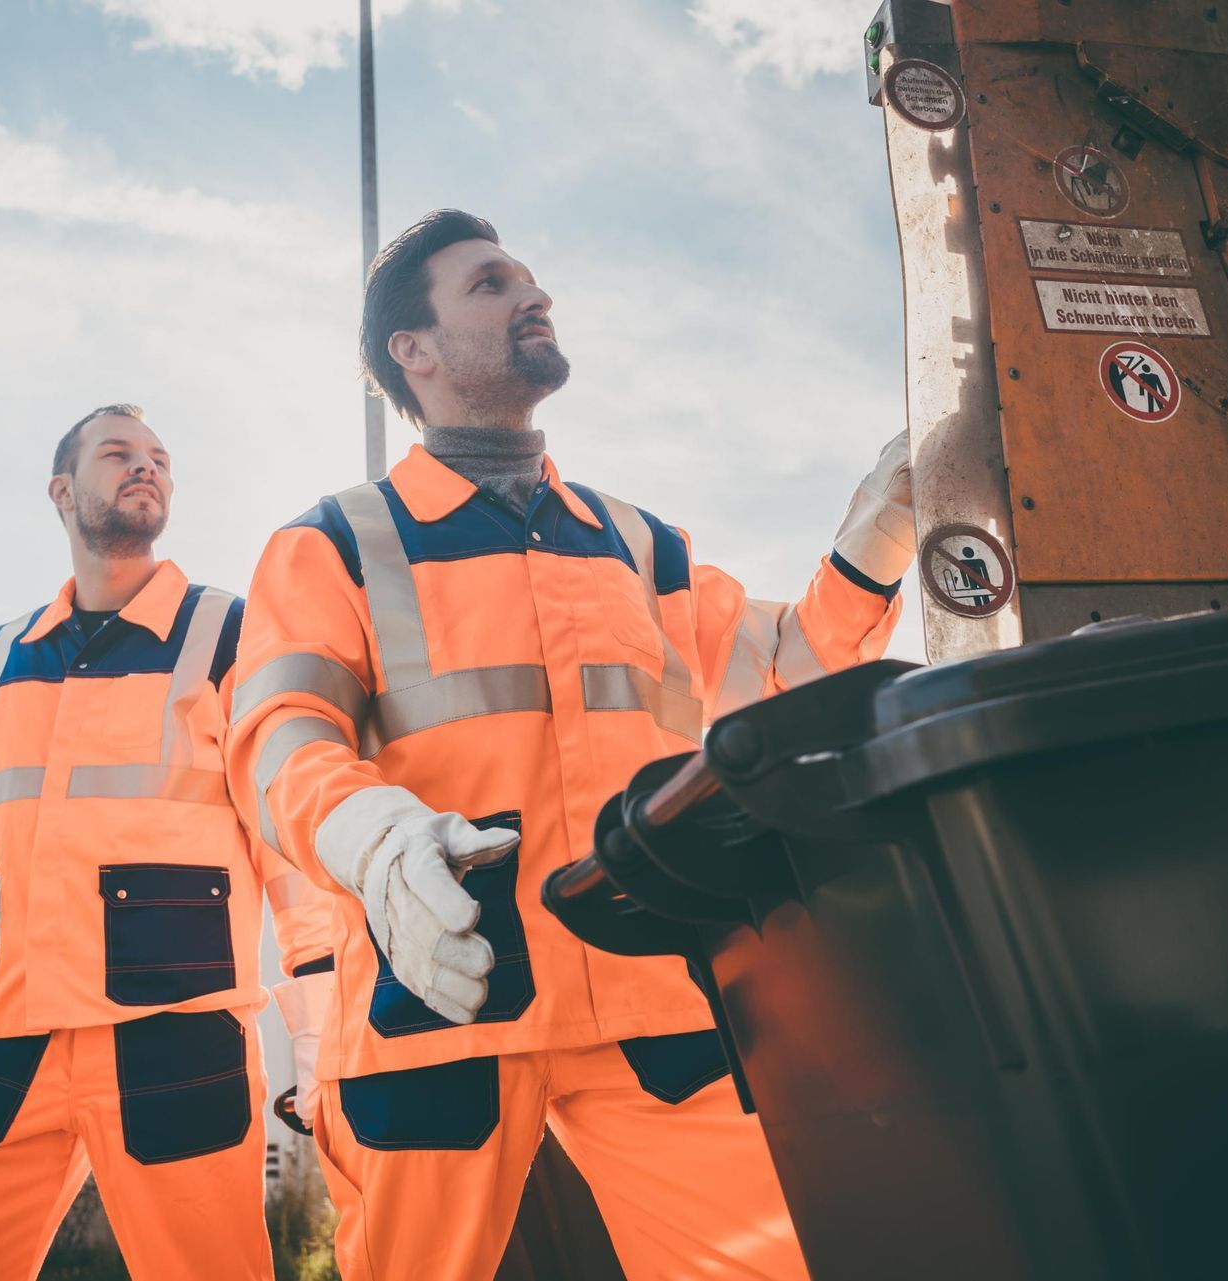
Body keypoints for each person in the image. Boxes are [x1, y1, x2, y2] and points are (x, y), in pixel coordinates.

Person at [228, 210, 915, 1280]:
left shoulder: (640, 544)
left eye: (533, 281)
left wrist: (880, 530)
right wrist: (368, 835)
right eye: (492, 285)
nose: (532, 296)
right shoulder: (333, 544)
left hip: (649, 983)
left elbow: (786, 661)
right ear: (412, 350)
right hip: (445, 993)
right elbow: (282, 731)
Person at [0, 404, 333, 1280]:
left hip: (176, 1035)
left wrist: (320, 1017)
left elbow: (290, 841)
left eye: (159, 457)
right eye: (117, 453)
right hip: (10, 1033)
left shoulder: (228, 635)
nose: (145, 467)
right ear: (61, 490)